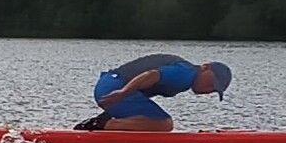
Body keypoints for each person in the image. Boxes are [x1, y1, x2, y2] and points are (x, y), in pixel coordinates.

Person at [77, 53, 232, 133]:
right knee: (164, 124)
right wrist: (123, 92)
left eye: (213, 90)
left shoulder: (185, 73)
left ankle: (100, 123)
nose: (208, 89)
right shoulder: (186, 73)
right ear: (205, 67)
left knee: (156, 120)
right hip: (114, 88)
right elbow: (151, 75)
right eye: (211, 83)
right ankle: (102, 126)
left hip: (111, 84)